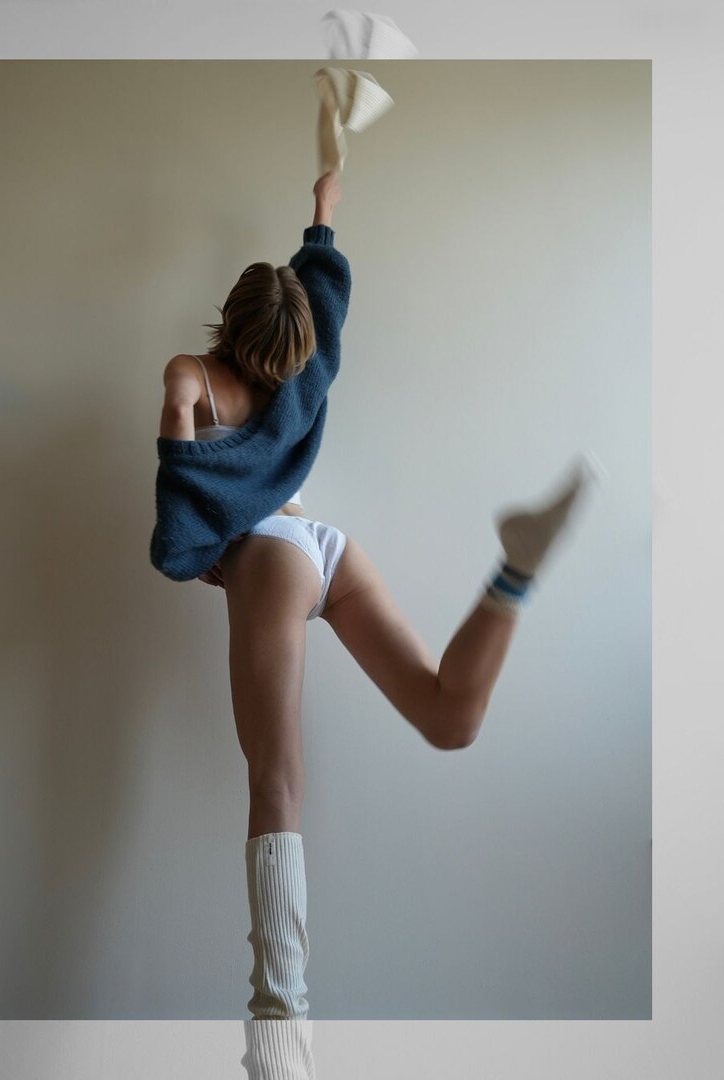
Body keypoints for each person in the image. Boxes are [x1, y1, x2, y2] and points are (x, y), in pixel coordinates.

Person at [152, 171, 594, 1073]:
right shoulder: (304, 368)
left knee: (275, 787)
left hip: (267, 559)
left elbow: (182, 481)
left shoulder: (191, 374)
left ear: (227, 318)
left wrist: (194, 551)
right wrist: (323, 210)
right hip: (325, 545)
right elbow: (324, 289)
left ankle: (280, 1039)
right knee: (448, 716)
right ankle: (511, 572)